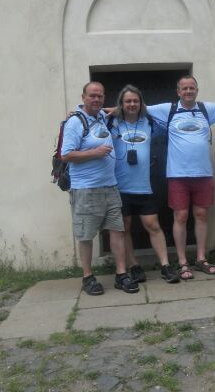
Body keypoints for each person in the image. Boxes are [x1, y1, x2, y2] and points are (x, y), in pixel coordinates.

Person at [61, 81, 139, 295]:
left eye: (100, 96)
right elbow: (66, 154)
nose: (96, 99)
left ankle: (121, 274)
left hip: (110, 186)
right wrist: (94, 153)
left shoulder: (102, 116)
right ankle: (87, 277)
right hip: (86, 188)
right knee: (86, 235)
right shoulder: (75, 122)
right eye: (92, 96)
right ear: (83, 97)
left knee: (117, 230)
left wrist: (111, 108)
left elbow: (120, 108)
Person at [147, 76, 215, 280]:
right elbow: (136, 108)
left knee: (201, 215)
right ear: (178, 92)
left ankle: (201, 258)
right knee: (181, 217)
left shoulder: (206, 109)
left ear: (197, 90)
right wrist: (101, 111)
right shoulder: (169, 109)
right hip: (178, 174)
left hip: (203, 173)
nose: (188, 91)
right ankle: (182, 261)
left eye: (192, 88)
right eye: (184, 88)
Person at [108, 85, 180, 284]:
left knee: (153, 225)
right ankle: (134, 266)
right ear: (121, 104)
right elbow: (88, 112)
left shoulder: (150, 122)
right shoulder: (111, 122)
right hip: (119, 187)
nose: (132, 104)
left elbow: (174, 118)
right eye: (127, 101)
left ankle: (165, 266)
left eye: (135, 101)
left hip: (143, 186)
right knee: (124, 228)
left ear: (141, 103)